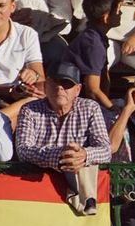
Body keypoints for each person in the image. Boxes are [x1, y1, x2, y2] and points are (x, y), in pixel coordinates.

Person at [14, 61, 111, 215]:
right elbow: (23, 150)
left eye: (66, 84)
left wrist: (83, 155)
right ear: (45, 86)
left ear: (77, 90)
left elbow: (106, 150)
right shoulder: (29, 110)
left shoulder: (91, 108)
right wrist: (60, 157)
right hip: (40, 192)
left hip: (77, 189)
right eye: (55, 82)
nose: (60, 88)